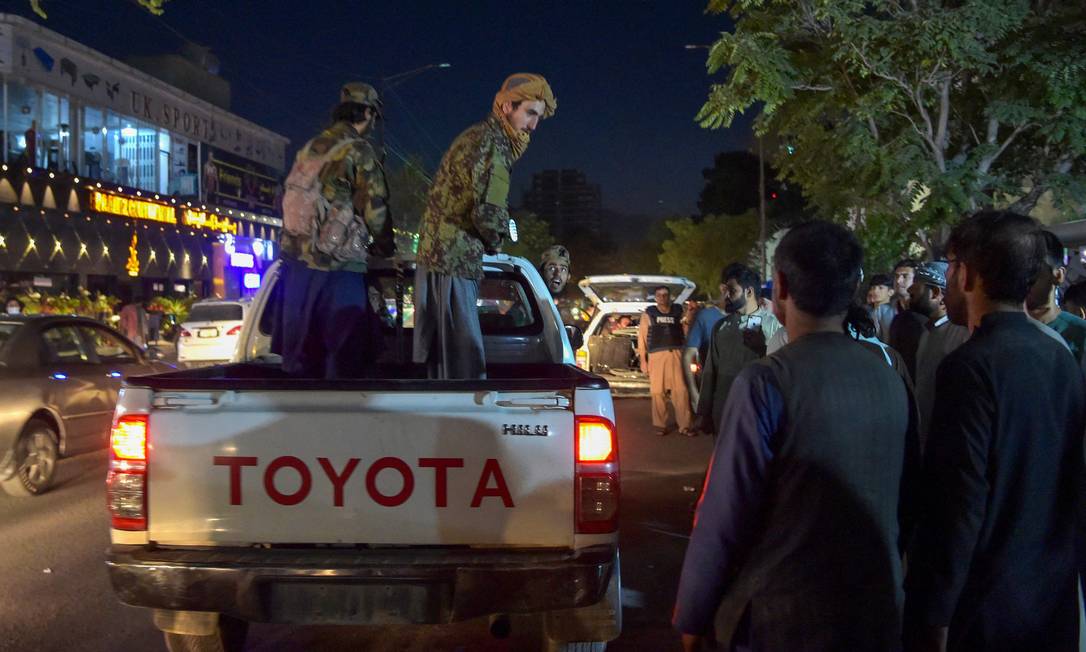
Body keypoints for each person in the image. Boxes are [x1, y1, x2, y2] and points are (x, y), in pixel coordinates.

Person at [674, 221, 918, 652]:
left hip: (784, 619)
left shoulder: (766, 382)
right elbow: (909, 501)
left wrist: (692, 616)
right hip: (875, 614)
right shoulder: (889, 376)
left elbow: (723, 516)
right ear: (854, 287)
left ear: (782, 286)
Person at [904, 211, 1085, 652]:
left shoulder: (970, 366)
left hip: (987, 608)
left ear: (968, 274)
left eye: (951, 266)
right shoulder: (1058, 356)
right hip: (1051, 599)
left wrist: (936, 612)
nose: (948, 279)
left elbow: (958, 501)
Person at [414, 73, 557, 379]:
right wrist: (496, 242)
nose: (533, 126)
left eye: (538, 117)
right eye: (530, 113)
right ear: (506, 107)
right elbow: (488, 214)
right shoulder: (493, 144)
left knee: (444, 362)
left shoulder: (479, 136)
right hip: (453, 260)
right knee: (463, 363)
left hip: (441, 257)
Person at [270, 82, 395, 379]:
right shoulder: (359, 150)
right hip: (339, 270)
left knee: (302, 361)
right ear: (367, 112)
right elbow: (375, 206)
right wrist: (385, 247)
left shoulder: (309, 149)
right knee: (342, 359)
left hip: (297, 269)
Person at [694, 264, 781, 436]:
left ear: (749, 292)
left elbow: (782, 371)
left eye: (732, 291)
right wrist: (705, 412)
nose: (726, 296)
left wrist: (763, 347)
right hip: (723, 412)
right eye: (726, 290)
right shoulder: (721, 326)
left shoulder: (772, 325)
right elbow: (711, 371)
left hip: (757, 415)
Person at [906, 261, 969, 450]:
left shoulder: (961, 333)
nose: (910, 289)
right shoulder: (927, 332)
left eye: (917, 284)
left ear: (935, 293)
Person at [638, 286, 693, 436]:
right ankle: (660, 425)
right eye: (659, 295)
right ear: (655, 297)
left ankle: (685, 426)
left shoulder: (678, 311)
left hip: (676, 355)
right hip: (657, 357)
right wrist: (643, 360)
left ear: (670, 297)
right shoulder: (648, 314)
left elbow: (685, 331)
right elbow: (642, 338)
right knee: (657, 392)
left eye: (665, 295)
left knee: (681, 391)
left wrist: (690, 315)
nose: (662, 297)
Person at [1026, 230, 1086, 362]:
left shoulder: (1080, 334)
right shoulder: (1003, 333)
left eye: (1033, 272)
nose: (1025, 280)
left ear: (1058, 275)